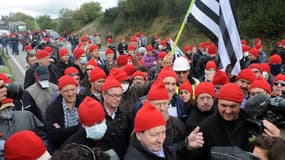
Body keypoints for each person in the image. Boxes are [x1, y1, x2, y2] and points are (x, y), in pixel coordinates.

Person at [178, 83, 252, 159]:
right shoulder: (206, 127)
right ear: (218, 103)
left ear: (240, 104)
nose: (228, 111)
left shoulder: (249, 123)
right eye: (223, 105)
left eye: (233, 106)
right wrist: (188, 147)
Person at [45, 75, 82, 151]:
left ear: (77, 89)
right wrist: (79, 128)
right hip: (63, 151)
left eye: (72, 89)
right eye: (66, 91)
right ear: (60, 92)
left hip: (83, 148)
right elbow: (53, 134)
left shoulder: (84, 102)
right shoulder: (52, 109)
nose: (70, 94)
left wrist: (62, 130)